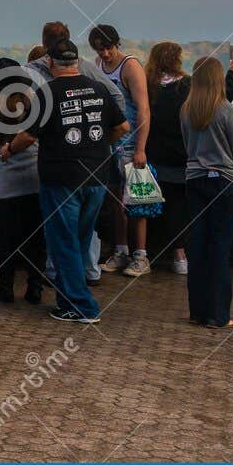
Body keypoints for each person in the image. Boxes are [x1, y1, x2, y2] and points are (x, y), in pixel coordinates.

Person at [4, 39, 128, 324]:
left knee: (64, 242)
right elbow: (123, 126)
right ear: (77, 62)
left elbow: (28, 135)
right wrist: (98, 147)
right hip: (97, 176)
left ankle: (84, 307)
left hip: (62, 178)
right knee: (79, 242)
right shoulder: (98, 88)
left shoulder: (48, 93)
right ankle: (67, 301)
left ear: (50, 62)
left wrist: (9, 150)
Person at [180, 56, 233, 329]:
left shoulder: (186, 110)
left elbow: (188, 146)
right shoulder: (225, 109)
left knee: (197, 246)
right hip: (224, 182)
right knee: (220, 248)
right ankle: (219, 314)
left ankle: (197, 310)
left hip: (196, 180)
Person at [0, 60, 44, 304]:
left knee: (5, 241)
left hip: (2, 187)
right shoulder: (36, 106)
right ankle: (34, 289)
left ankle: (6, 289)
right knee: (36, 240)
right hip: (34, 183)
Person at [89, 25, 153, 278]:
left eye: (107, 48)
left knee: (137, 201)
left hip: (130, 144)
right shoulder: (98, 64)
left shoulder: (130, 66)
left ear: (117, 44)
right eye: (99, 49)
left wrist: (141, 148)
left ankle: (141, 255)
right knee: (115, 201)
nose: (104, 54)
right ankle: (121, 250)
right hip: (110, 143)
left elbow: (144, 109)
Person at [143, 42, 191, 275]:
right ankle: (180, 254)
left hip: (152, 153)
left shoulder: (147, 85)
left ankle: (145, 252)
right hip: (181, 155)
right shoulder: (186, 86)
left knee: (151, 205)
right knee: (178, 205)